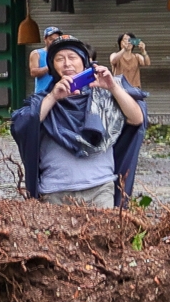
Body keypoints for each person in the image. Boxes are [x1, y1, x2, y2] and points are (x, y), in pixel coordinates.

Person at [11, 36, 147, 206]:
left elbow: (137, 119)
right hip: (55, 192)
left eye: (72, 57)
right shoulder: (43, 100)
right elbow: (22, 126)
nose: (67, 63)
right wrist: (53, 97)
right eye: (60, 59)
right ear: (53, 66)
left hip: (100, 189)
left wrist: (112, 87)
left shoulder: (104, 96)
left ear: (84, 62)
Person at [28, 26, 65, 101]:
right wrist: (49, 67)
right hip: (42, 94)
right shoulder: (37, 53)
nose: (54, 42)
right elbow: (33, 72)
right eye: (51, 39)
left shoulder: (62, 54)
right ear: (45, 39)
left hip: (59, 94)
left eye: (56, 39)